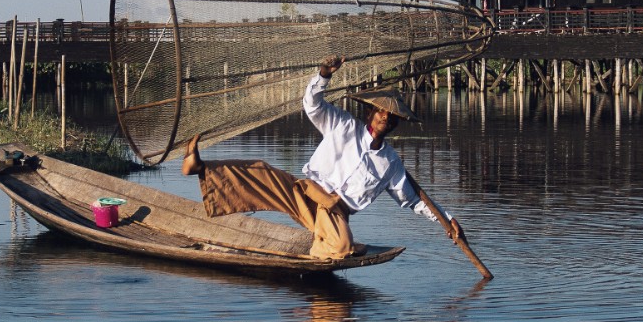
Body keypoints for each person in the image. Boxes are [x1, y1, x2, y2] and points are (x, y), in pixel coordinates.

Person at [181, 55, 464, 260]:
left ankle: (322, 250)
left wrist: (447, 219)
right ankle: (202, 167)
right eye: (381, 112)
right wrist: (324, 75)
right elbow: (312, 105)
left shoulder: (390, 163)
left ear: (394, 125)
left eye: (390, 117)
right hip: (307, 191)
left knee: (340, 247)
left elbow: (413, 200)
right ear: (371, 113)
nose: (384, 118)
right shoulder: (343, 125)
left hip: (334, 210)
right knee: (261, 172)